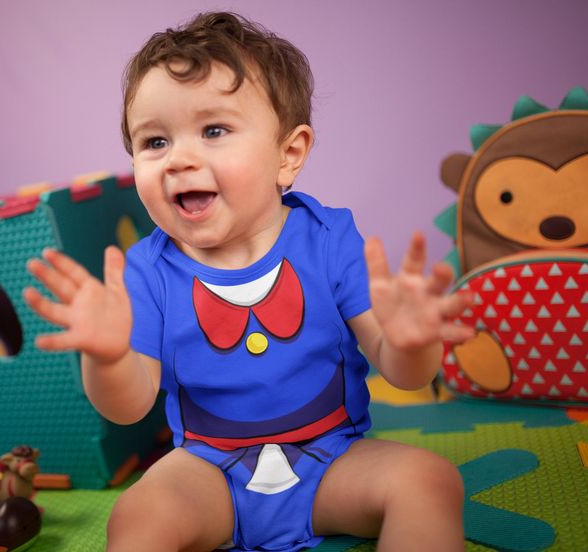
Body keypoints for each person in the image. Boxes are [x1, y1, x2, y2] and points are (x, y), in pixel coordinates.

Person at [24, 11, 474, 552]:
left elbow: (403, 374)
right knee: (136, 517)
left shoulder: (330, 239)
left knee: (430, 481)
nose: (179, 159)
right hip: (208, 474)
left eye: (213, 131)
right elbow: (130, 406)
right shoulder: (144, 270)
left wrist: (411, 343)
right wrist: (106, 355)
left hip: (332, 462)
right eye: (154, 142)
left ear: (289, 155)